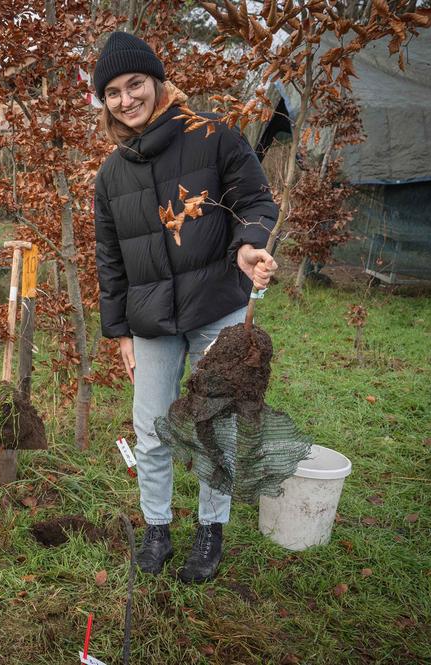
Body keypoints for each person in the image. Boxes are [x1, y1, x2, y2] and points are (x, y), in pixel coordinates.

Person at [92, 32, 279, 584]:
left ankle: (209, 530)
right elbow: (110, 259)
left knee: (212, 426)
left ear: (156, 82)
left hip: (216, 304)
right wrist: (120, 333)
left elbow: (254, 201)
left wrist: (248, 245)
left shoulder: (213, 137)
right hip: (150, 319)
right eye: (113, 93)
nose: (127, 100)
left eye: (135, 85)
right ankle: (156, 527)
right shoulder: (110, 175)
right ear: (103, 102)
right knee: (149, 426)